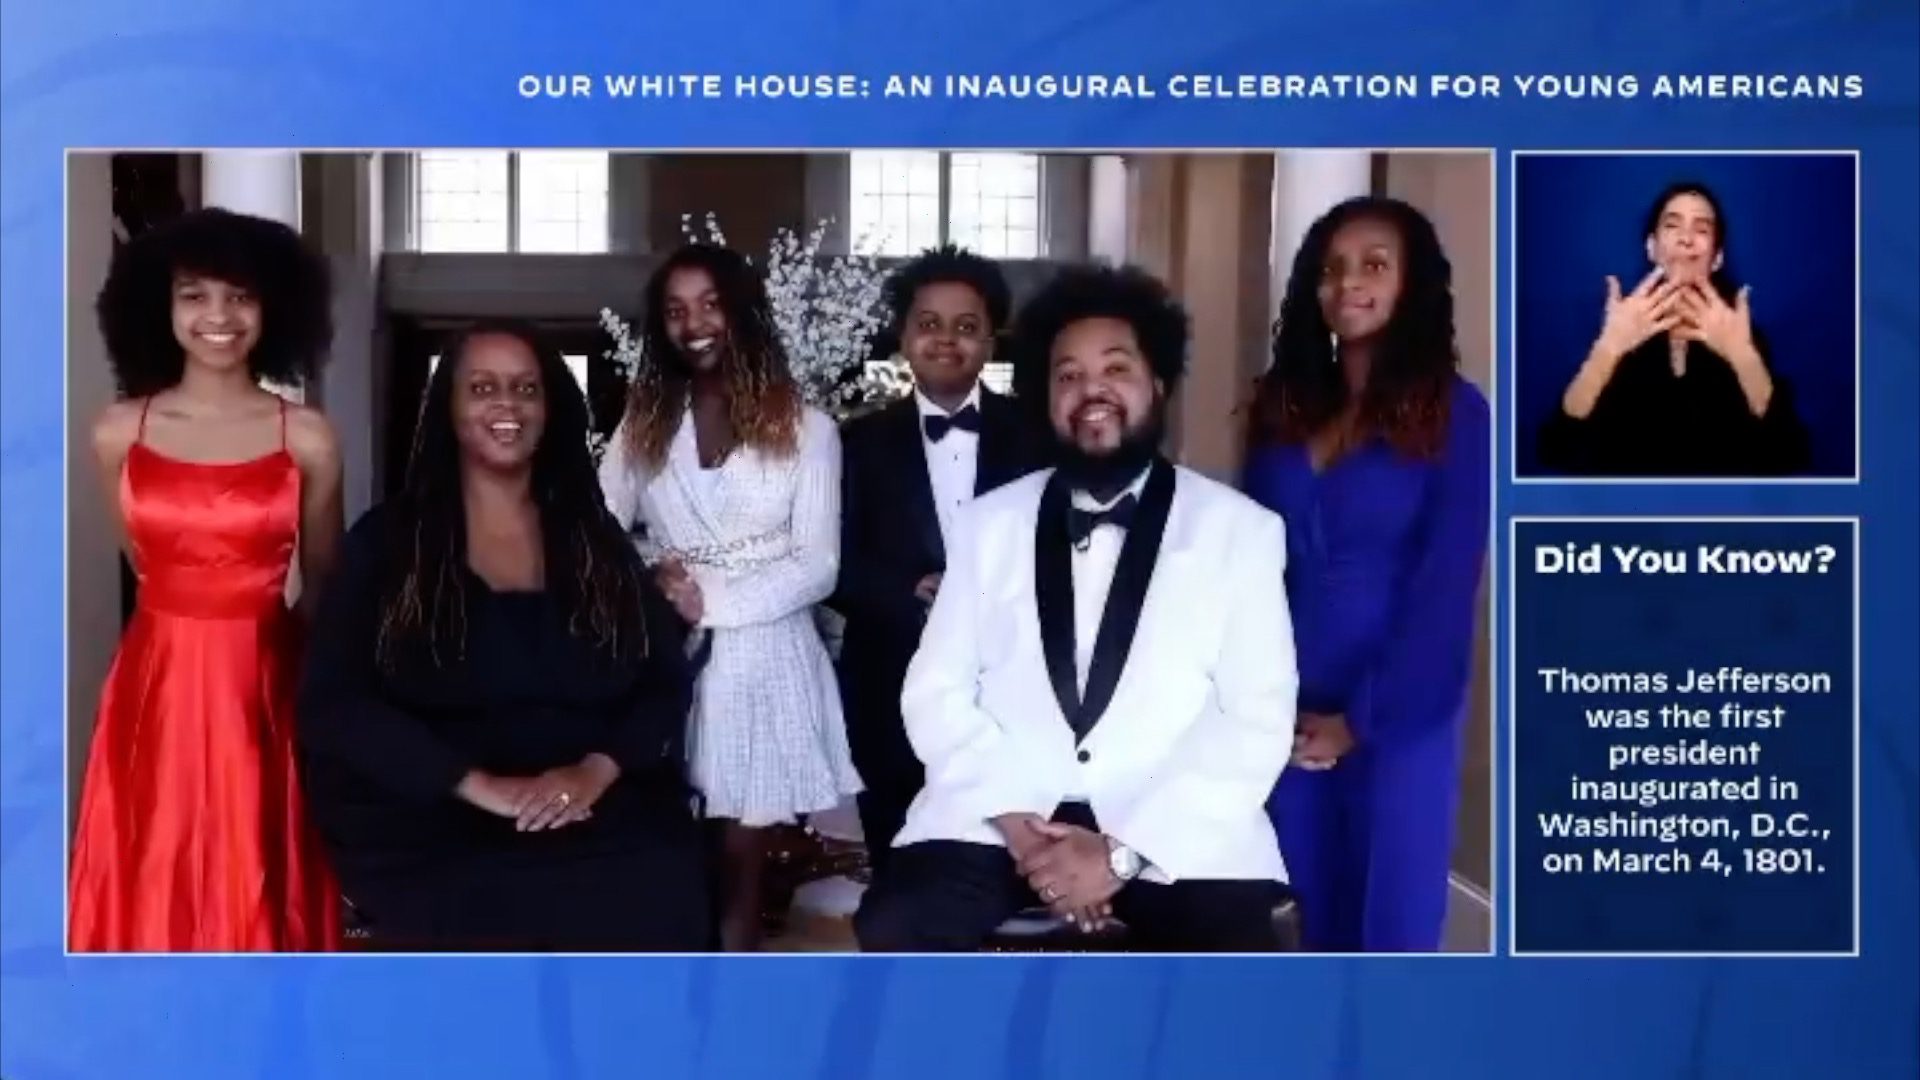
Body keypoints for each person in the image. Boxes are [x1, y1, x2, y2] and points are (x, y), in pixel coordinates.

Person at [854, 264, 1299, 953]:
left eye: (1116, 368)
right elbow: (935, 690)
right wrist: (1021, 828)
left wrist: (1117, 855)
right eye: (1068, 375)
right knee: (898, 923)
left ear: (1157, 383)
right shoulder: (987, 524)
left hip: (1175, 828)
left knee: (1234, 961)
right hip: (999, 817)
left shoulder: (1242, 532)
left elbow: (1256, 719)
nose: (1092, 390)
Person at [297, 320, 711, 951]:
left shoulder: (593, 539)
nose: (507, 405)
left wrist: (594, 772)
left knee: (661, 877)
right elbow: (336, 702)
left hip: (585, 801)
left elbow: (661, 681)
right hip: (431, 811)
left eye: (526, 388)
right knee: (482, 903)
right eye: (482, 387)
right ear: (447, 407)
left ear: (550, 407)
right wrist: (480, 786)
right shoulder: (387, 543)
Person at [69, 207, 343, 952]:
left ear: (273, 306)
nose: (218, 316)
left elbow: (326, 586)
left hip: (266, 683)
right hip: (155, 681)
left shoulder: (308, 436)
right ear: (159, 307)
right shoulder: (118, 432)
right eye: (194, 295)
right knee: (154, 858)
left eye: (240, 296)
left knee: (258, 864)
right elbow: (143, 561)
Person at [1243, 195, 1490, 952]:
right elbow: (1246, 562)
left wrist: (1359, 723)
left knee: (1391, 928)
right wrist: (1253, 698)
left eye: (1375, 265)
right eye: (1331, 269)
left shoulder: (1458, 414)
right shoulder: (1282, 409)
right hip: (1285, 714)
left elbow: (1445, 587)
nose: (1348, 282)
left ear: (1413, 284)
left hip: (1399, 714)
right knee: (1297, 919)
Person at [598, 243, 861, 951]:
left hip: (767, 662)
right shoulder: (644, 423)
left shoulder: (809, 429)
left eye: (711, 305)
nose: (694, 324)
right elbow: (596, 531)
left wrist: (708, 601)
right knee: (678, 854)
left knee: (743, 867)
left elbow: (818, 565)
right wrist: (654, 578)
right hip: (670, 659)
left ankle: (731, 1000)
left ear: (743, 311)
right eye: (676, 311)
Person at [833, 244, 1049, 869]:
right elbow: (830, 563)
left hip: (1013, 687)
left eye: (966, 325)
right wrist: (906, 592)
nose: (946, 339)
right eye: (929, 324)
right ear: (904, 337)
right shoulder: (856, 442)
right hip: (888, 685)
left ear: (991, 340)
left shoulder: (1037, 435)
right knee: (899, 861)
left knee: (1008, 862)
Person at [1536, 180, 1809, 476]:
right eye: (1672, 226)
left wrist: (1742, 356)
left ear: (1717, 258)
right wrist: (1607, 350)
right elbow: (1556, 449)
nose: (1686, 239)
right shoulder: (1619, 332)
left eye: (1701, 230)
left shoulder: (1743, 336)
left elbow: (1790, 456)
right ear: (1652, 248)